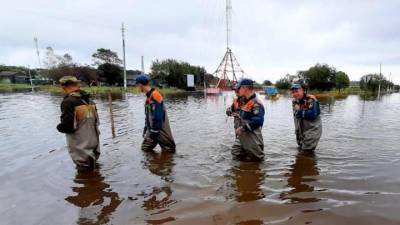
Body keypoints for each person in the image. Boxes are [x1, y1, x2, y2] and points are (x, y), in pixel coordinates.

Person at [56, 76, 100, 171]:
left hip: (80, 142)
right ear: (77, 85)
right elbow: (97, 121)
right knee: (93, 166)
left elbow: (68, 126)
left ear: (63, 87)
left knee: (83, 170)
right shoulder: (89, 99)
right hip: (94, 139)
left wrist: (59, 127)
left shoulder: (68, 101)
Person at [136, 75, 176, 153]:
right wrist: (145, 129)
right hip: (151, 130)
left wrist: (153, 134)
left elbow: (158, 117)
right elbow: (148, 116)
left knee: (169, 151)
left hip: (160, 130)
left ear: (140, 85)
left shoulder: (155, 95)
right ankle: (155, 164)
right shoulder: (148, 98)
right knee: (145, 149)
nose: (137, 87)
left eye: (137, 85)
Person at [231, 79, 265, 161]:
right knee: (235, 152)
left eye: (239, 88)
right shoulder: (243, 101)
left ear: (245, 88)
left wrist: (242, 128)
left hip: (253, 138)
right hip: (243, 136)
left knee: (257, 160)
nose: (237, 90)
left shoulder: (256, 103)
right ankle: (242, 172)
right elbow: (234, 108)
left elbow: (258, 121)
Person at [291, 82, 322, 151]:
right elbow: (296, 116)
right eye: (293, 92)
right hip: (301, 131)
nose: (294, 94)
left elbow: (313, 115)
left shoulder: (311, 99)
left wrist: (299, 111)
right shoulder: (294, 101)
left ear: (303, 90)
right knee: (301, 151)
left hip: (312, 131)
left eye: (297, 91)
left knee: (306, 153)